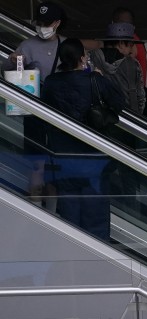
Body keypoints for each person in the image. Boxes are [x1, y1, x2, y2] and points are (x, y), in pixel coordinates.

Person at [40, 38, 124, 241]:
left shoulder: (51, 83)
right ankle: (96, 263)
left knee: (69, 217)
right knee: (95, 220)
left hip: (64, 159)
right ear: (82, 58)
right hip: (94, 160)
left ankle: (72, 264)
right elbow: (119, 103)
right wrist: (98, 76)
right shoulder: (95, 80)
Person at [6, 1, 67, 208]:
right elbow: (12, 73)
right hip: (35, 115)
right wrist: (14, 62)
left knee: (55, 167)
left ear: (57, 23)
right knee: (37, 166)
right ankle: (36, 207)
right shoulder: (27, 46)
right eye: (40, 22)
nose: (42, 27)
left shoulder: (66, 46)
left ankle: (53, 211)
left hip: (60, 115)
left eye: (47, 23)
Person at [90, 21, 147, 219]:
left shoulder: (91, 60)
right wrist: (136, 119)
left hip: (98, 124)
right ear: (122, 43)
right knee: (129, 175)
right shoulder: (132, 66)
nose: (132, 49)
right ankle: (130, 217)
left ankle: (103, 212)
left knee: (102, 171)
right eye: (130, 44)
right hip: (126, 126)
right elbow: (140, 97)